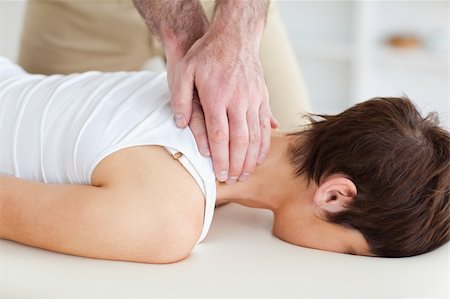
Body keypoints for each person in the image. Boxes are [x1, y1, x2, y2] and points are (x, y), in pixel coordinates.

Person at [0, 57, 448, 263]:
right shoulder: (165, 220)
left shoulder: (220, 92)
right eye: (351, 250)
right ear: (334, 196)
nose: (342, 260)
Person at [18, 0, 310, 185]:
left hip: (228, 8)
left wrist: (236, 40)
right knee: (32, 151)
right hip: (82, 10)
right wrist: (185, 37)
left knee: (292, 161)